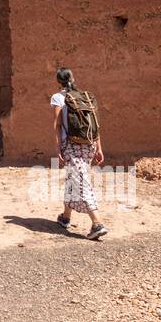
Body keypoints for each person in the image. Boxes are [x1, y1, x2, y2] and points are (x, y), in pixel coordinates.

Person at [52, 67, 108, 240]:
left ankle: (96, 222)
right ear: (73, 78)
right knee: (73, 179)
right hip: (89, 145)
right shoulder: (85, 97)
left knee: (81, 182)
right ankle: (65, 217)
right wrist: (99, 147)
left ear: (58, 81)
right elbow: (95, 124)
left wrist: (58, 148)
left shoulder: (58, 97)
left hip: (72, 145)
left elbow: (58, 125)